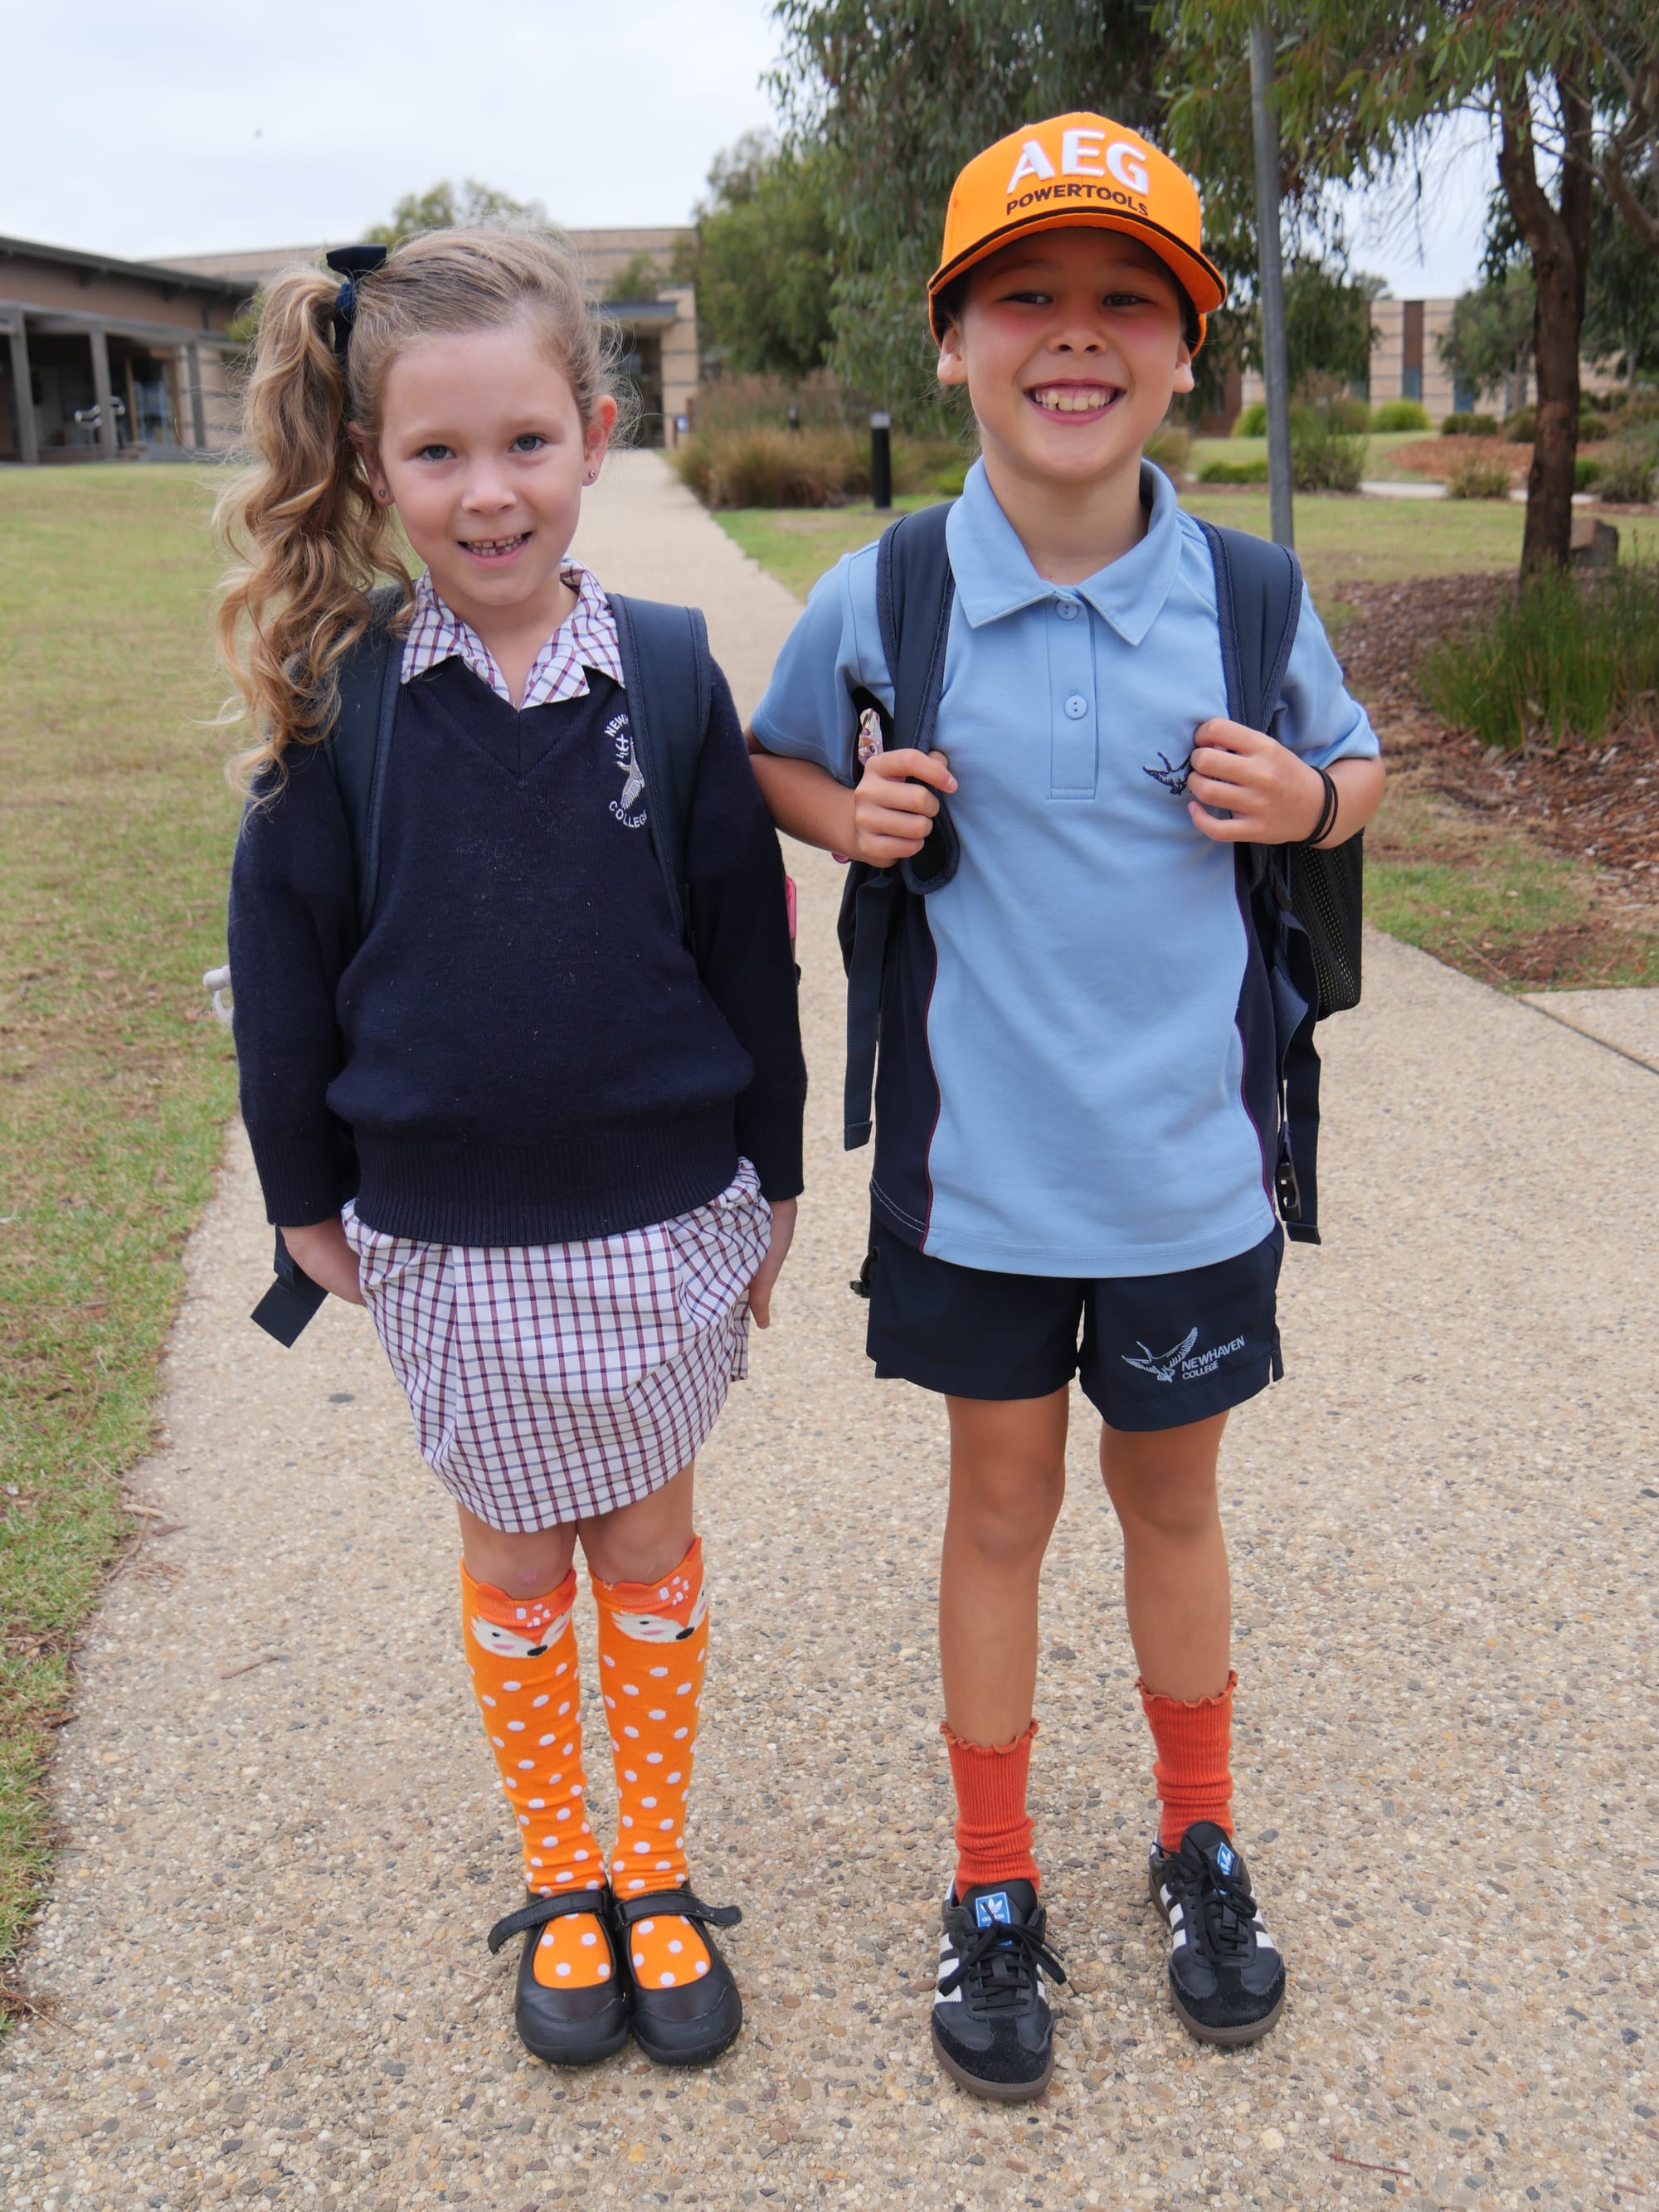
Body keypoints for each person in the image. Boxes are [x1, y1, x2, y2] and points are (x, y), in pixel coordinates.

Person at [747, 114, 1383, 2101]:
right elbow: (778, 752)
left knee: (1172, 1500)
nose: (1075, 335)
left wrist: (1306, 800)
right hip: (980, 1185)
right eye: (1027, 294)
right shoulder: (896, 586)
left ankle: (1196, 1831)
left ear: (1189, 349)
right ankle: (993, 1873)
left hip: (1190, 1173)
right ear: (952, 340)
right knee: (999, 1507)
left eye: (1130, 299)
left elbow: (1354, 774)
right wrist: (845, 810)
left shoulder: (1256, 603)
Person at [217, 227, 805, 2070]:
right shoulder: (346, 707)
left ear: (598, 432)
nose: (489, 494)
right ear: (374, 468)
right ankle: (563, 1876)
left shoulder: (676, 677)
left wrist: (776, 1178)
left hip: (660, 1222)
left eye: (527, 444)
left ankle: (651, 1863)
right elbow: (284, 974)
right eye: (439, 455)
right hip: (450, 1240)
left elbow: (745, 946)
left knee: (647, 1538)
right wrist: (305, 1194)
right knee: (513, 1559)